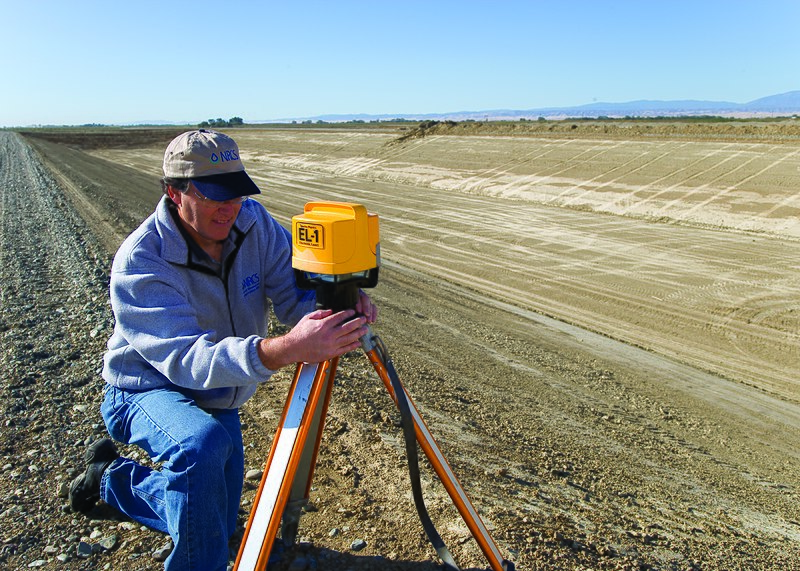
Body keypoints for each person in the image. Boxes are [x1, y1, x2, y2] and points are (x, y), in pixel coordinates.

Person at [69, 129, 377, 571]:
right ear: (175, 192)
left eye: (235, 192)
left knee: (213, 513)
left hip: (216, 390)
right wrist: (286, 349)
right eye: (215, 195)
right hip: (145, 387)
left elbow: (294, 299)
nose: (229, 206)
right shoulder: (142, 261)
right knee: (202, 448)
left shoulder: (254, 224)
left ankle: (111, 480)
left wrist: (339, 310)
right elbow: (188, 360)